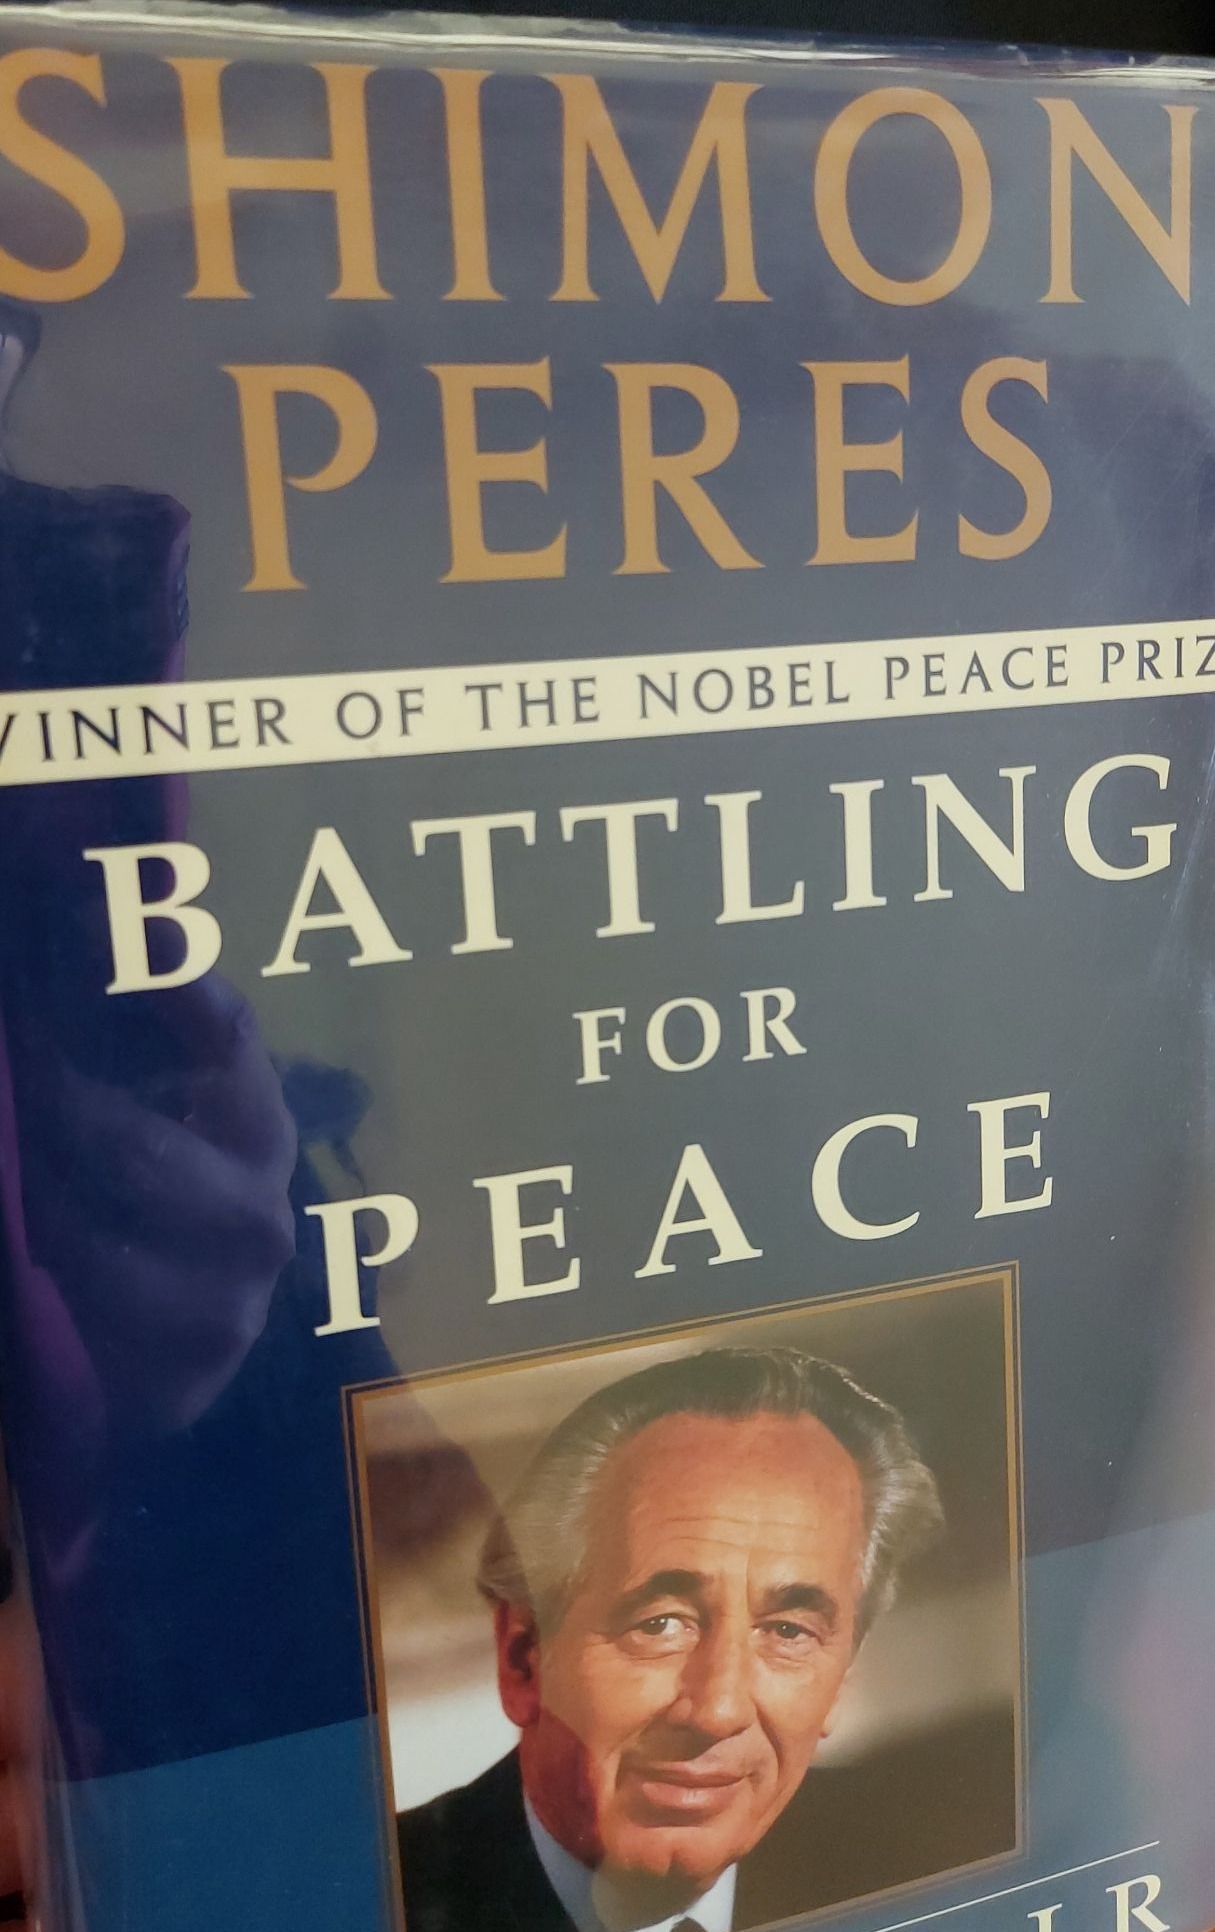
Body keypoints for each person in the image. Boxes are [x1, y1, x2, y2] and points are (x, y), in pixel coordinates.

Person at [398, 1344, 943, 1932]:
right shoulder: (372, 1896)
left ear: (842, 1676)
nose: (718, 1711)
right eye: (659, 1624)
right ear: (523, 1659)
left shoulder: (922, 1859)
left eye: (788, 1631)